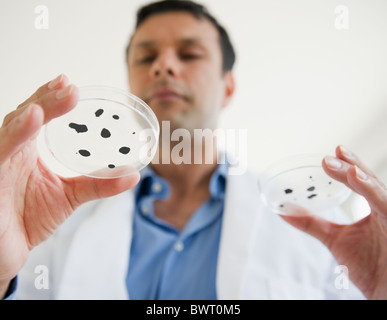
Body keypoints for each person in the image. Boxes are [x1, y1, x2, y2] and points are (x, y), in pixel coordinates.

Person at [1, 0, 387, 300]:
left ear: (229, 86)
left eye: (189, 54)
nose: (164, 65)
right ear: (132, 83)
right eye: (146, 57)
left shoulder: (316, 222)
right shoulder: (55, 226)